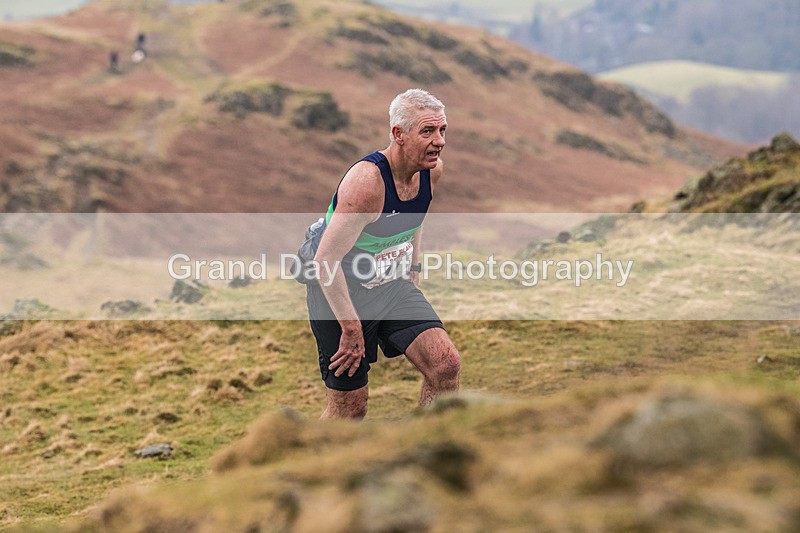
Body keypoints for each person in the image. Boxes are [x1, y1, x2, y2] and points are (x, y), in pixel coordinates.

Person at [306, 88, 461, 419]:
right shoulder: (367, 184)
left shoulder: (431, 170)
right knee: (350, 410)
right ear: (398, 134)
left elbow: (415, 218)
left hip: (390, 283)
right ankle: (304, 465)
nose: (439, 141)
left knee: (445, 365)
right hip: (340, 292)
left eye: (442, 130)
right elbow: (325, 261)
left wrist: (413, 267)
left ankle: (429, 454)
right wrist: (350, 328)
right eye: (428, 131)